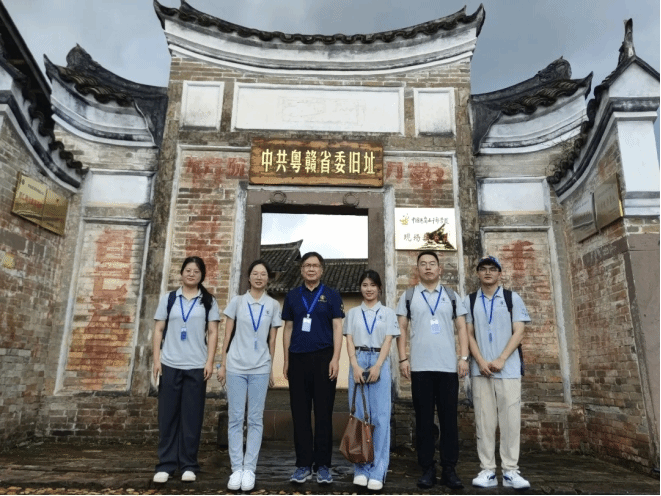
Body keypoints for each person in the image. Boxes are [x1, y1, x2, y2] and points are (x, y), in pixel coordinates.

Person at [396, 250, 469, 490]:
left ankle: (449, 469)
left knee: (449, 420)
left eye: (432, 264)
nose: (428, 267)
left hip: (448, 368)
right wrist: (403, 359)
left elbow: (462, 328)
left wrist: (464, 358)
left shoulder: (452, 296)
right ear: (417, 269)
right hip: (420, 368)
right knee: (424, 420)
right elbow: (401, 329)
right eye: (423, 264)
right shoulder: (409, 296)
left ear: (440, 269)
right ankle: (427, 468)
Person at [464, 256, 531, 489]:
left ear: (499, 273)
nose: (488, 273)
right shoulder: (470, 300)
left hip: (509, 370)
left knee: (511, 422)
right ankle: (488, 470)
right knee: (484, 422)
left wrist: (502, 358)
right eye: (483, 269)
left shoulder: (512, 298)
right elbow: (468, 334)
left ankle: (511, 471)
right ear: (477, 273)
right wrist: (480, 361)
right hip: (481, 371)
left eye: (492, 269)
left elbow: (519, 331)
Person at [152, 256, 220, 483]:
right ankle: (166, 464)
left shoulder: (208, 301)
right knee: (167, 416)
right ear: (182, 273)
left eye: (196, 271)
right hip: (170, 364)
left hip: (196, 366)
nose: (191, 274)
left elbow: (213, 333)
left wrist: (209, 362)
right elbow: (158, 329)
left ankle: (189, 464)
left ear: (202, 275)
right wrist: (156, 359)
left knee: (191, 417)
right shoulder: (169, 298)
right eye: (188, 270)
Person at [217, 259, 282, 491]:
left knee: (255, 419)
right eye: (255, 273)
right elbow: (227, 336)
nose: (259, 277)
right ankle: (236, 468)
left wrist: (271, 368)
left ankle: (249, 469)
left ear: (268, 278)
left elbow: (272, 340)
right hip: (235, 366)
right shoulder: (237, 302)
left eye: (263, 274)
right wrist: (222, 365)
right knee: (236, 418)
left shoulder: (273, 305)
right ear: (249, 277)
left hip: (260, 368)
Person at [282, 252, 344, 484]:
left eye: (315, 266)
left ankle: (323, 465)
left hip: (324, 358)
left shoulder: (332, 295)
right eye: (307, 265)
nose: (311, 269)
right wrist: (286, 360)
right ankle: (303, 465)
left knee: (323, 413)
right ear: (301, 270)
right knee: (300, 413)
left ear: (322, 270)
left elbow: (337, 328)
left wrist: (336, 358)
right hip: (298, 358)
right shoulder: (292, 296)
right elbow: (288, 329)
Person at [343, 270, 400, 491]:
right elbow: (349, 340)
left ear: (379, 288)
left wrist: (377, 366)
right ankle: (361, 468)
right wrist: (355, 366)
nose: (369, 289)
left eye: (373, 285)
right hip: (357, 359)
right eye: (365, 285)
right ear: (360, 287)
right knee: (359, 415)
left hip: (379, 360)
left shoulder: (388, 313)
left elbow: (388, 341)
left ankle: (377, 470)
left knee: (380, 416)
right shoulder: (353, 313)